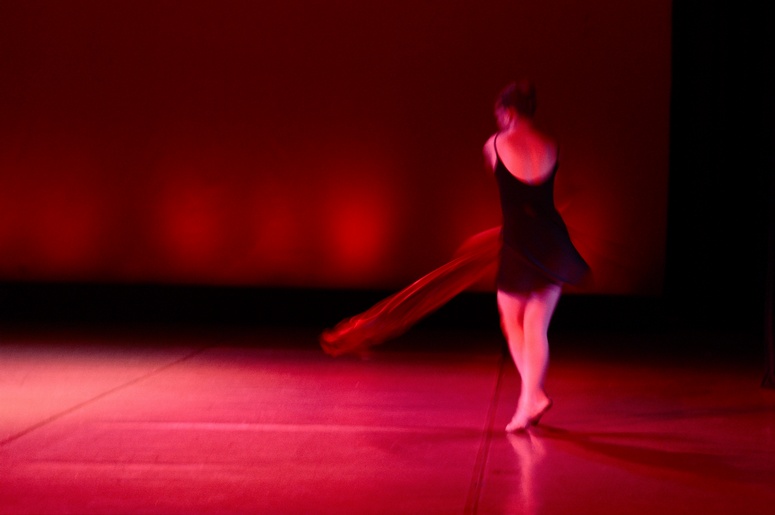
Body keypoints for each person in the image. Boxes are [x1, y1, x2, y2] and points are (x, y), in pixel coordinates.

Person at [483, 80, 588, 432]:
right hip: (552, 243)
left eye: (499, 113)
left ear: (508, 112)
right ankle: (533, 396)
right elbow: (562, 197)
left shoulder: (494, 145)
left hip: (519, 244)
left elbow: (512, 199)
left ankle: (530, 399)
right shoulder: (551, 146)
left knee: (511, 321)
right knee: (535, 325)